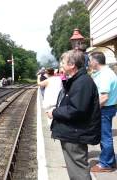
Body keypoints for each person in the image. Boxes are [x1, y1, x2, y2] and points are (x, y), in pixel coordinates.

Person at [46, 50, 101, 180]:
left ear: (72, 65)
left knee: (78, 170)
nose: (61, 65)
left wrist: (54, 112)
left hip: (75, 133)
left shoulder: (82, 82)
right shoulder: (79, 80)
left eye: (63, 62)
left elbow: (77, 110)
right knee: (75, 168)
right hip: (73, 132)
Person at [89, 51, 117, 172]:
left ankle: (105, 164)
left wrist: (91, 110)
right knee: (105, 136)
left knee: (105, 137)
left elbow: (104, 97)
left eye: (90, 60)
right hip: (107, 109)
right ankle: (111, 160)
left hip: (104, 109)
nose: (89, 63)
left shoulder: (105, 75)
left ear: (95, 61)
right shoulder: (105, 72)